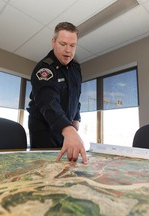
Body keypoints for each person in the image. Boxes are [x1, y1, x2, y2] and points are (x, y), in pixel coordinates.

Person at [27, 22, 88, 164]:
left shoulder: (76, 68)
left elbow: (76, 97)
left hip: (67, 129)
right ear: (53, 42)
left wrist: (76, 120)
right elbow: (48, 102)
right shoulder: (44, 68)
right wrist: (68, 129)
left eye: (72, 46)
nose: (68, 50)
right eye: (63, 44)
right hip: (44, 131)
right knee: (46, 174)